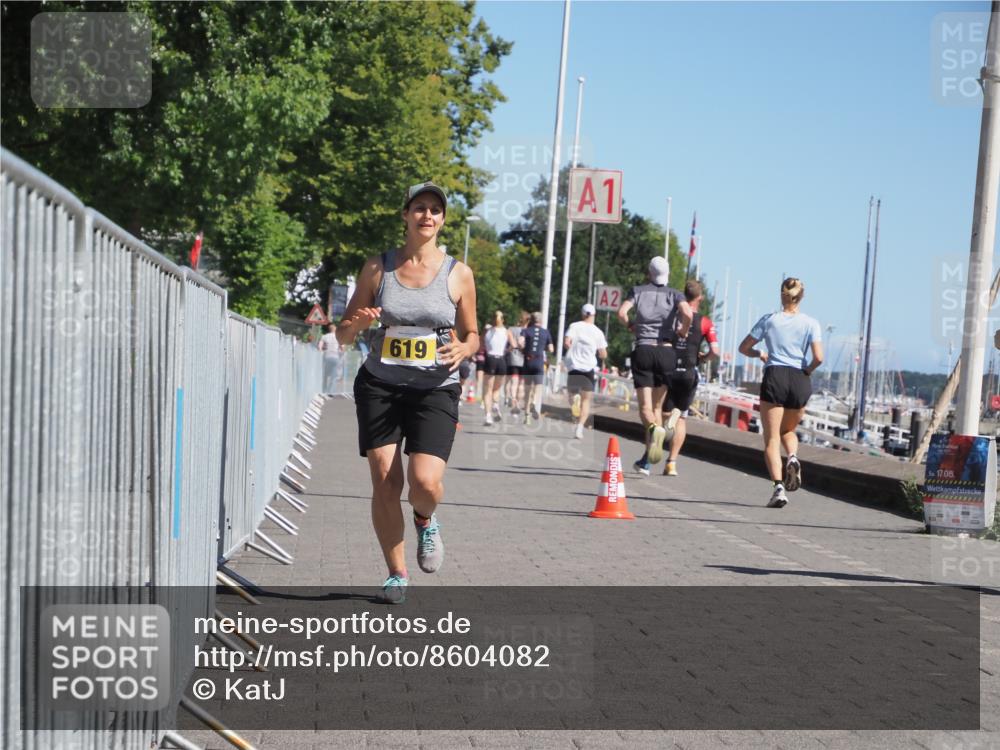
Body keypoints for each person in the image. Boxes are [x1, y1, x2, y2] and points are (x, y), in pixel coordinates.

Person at [337, 181, 479, 603]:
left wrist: (465, 346)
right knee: (385, 480)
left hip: (435, 387)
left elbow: (473, 335)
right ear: (405, 215)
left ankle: (424, 517)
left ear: (443, 220)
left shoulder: (459, 273)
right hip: (380, 385)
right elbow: (343, 333)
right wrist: (357, 325)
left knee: (425, 482)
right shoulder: (377, 269)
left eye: (436, 210)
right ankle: (396, 572)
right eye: (419, 207)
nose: (427, 216)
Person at [738, 277, 823, 508]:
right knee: (789, 430)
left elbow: (744, 348)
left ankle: (778, 488)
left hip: (775, 375)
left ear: (781, 295)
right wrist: (808, 370)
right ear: (801, 296)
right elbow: (819, 357)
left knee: (772, 437)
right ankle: (793, 457)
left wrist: (760, 355)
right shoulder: (811, 323)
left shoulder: (769, 320)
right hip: (799, 378)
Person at [617, 256, 693, 476]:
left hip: (643, 349)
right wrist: (683, 331)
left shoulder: (638, 291)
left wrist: (631, 324)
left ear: (649, 273)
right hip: (667, 351)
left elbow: (621, 312)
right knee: (659, 408)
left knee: (645, 409)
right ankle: (648, 459)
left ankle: (653, 430)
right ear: (667, 275)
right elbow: (687, 313)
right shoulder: (675, 294)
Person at [661, 280, 719, 477]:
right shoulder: (705, 321)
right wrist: (704, 358)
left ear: (684, 295)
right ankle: (672, 462)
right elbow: (715, 350)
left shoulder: (673, 316)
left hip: (668, 369)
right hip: (688, 372)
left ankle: (667, 420)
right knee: (682, 418)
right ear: (700, 298)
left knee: (663, 413)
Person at [563, 303, 609, 440]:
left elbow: (567, 342)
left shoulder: (574, 326)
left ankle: (574, 401)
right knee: (586, 401)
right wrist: (599, 353)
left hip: (574, 366)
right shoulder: (598, 332)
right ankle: (580, 428)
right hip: (588, 368)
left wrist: (570, 346)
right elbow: (603, 354)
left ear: (582, 314)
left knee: (572, 396)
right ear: (594, 315)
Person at [519, 312, 553, 424]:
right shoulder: (546, 332)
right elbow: (551, 349)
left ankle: (526, 416)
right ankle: (534, 401)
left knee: (527, 389)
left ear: (531, 320)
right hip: (539, 362)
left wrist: (523, 349)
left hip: (528, 361)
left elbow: (520, 343)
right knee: (538, 386)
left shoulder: (526, 331)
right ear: (541, 321)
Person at [482, 311, 511, 426]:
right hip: (501, 360)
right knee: (497, 389)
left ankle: (488, 416)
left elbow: (481, 343)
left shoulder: (487, 330)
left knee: (487, 390)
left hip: (490, 359)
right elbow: (513, 345)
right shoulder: (507, 332)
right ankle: (495, 404)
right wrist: (505, 351)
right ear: (503, 320)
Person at [506, 311, 529, 417]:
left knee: (513, 382)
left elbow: (509, 343)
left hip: (513, 358)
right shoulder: (529, 331)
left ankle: (513, 399)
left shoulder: (511, 329)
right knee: (521, 383)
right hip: (524, 359)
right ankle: (518, 404)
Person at [318, 322, 343, 395]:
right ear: (335, 329)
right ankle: (331, 392)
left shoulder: (324, 336)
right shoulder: (339, 337)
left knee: (325, 375)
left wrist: (322, 352)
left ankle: (323, 390)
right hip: (335, 357)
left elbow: (320, 347)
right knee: (334, 376)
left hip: (327, 357)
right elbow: (342, 348)